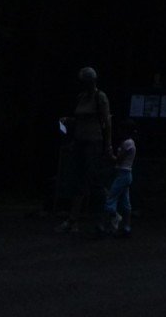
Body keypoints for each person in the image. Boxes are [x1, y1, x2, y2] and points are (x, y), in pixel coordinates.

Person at [57, 66, 112, 232]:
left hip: (93, 143)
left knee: (94, 180)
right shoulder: (81, 97)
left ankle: (104, 217)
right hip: (80, 142)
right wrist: (69, 121)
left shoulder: (99, 97)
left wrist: (107, 145)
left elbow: (106, 122)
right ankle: (73, 219)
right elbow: (81, 119)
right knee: (79, 180)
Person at [99, 125, 136, 237]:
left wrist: (110, 155)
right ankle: (126, 227)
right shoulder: (129, 142)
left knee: (111, 198)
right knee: (125, 202)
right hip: (124, 174)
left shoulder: (127, 143)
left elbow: (118, 160)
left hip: (123, 174)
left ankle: (104, 226)